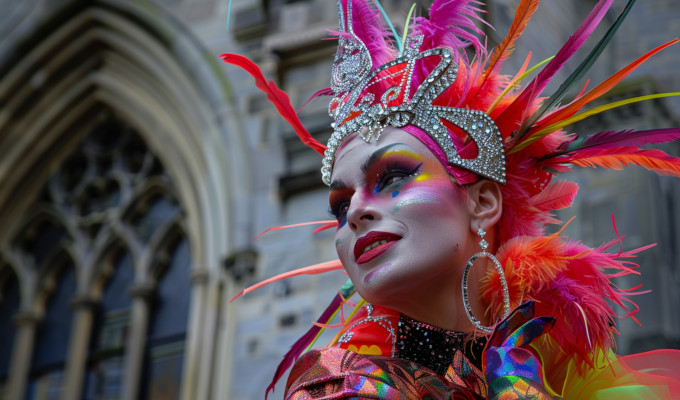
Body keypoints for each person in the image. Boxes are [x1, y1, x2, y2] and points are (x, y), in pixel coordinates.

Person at [223, 0, 680, 398]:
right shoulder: (336, 386)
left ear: (482, 202)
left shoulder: (569, 369)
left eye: (393, 177)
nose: (357, 212)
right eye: (340, 207)